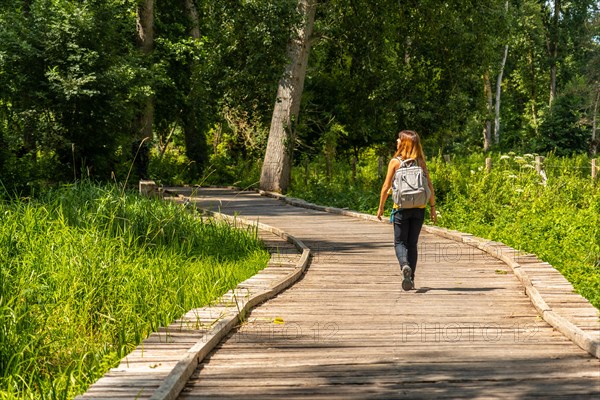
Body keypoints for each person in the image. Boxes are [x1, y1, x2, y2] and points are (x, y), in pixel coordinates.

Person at [376, 130, 436, 290]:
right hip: (419, 208)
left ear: (403, 143)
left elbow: (386, 187)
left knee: (400, 242)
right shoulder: (420, 161)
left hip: (401, 209)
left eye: (399, 139)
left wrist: (381, 206)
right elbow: (429, 185)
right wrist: (432, 208)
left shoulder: (395, 162)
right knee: (412, 243)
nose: (396, 140)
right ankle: (411, 278)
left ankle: (404, 266)